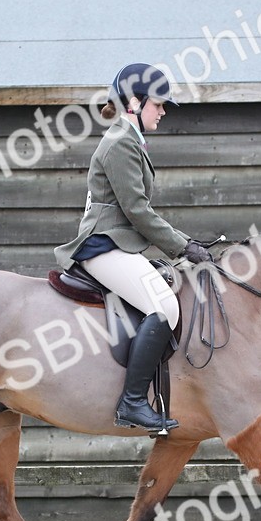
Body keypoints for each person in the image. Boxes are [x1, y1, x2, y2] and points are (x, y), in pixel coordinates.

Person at [54, 63, 212, 432]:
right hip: (102, 247)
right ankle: (132, 402)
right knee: (164, 307)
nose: (163, 111)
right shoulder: (120, 143)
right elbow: (138, 210)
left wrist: (182, 244)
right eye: (158, 104)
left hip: (117, 244)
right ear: (134, 103)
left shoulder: (128, 140)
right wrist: (183, 246)